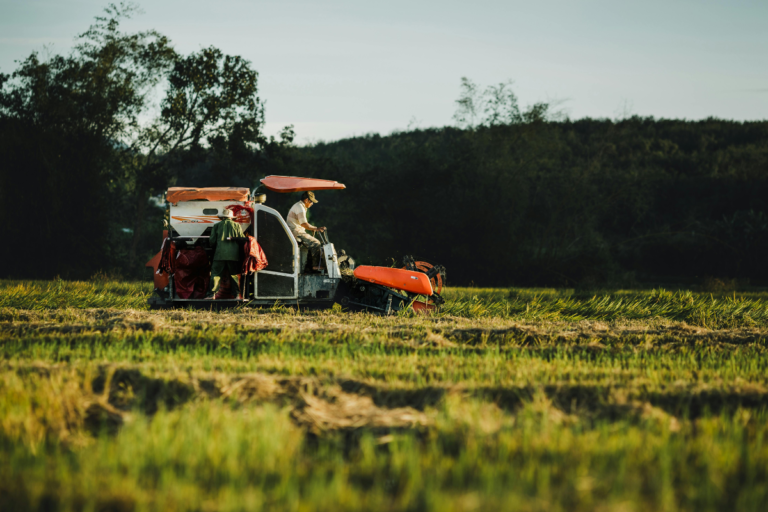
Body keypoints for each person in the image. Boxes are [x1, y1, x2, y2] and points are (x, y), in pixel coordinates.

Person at [205, 209, 245, 300]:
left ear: (222, 217)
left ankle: (212, 295)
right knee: (234, 275)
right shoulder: (237, 225)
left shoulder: (217, 225)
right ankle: (237, 295)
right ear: (231, 217)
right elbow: (242, 239)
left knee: (215, 274)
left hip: (220, 254)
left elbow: (212, 241)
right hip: (234, 255)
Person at [286, 191, 326, 271]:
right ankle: (315, 266)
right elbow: (304, 224)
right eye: (311, 202)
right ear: (306, 200)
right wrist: (316, 228)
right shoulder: (300, 207)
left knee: (311, 243)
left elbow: (303, 224)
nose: (312, 204)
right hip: (296, 232)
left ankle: (308, 267)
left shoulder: (299, 206)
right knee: (316, 243)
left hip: (297, 230)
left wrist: (313, 228)